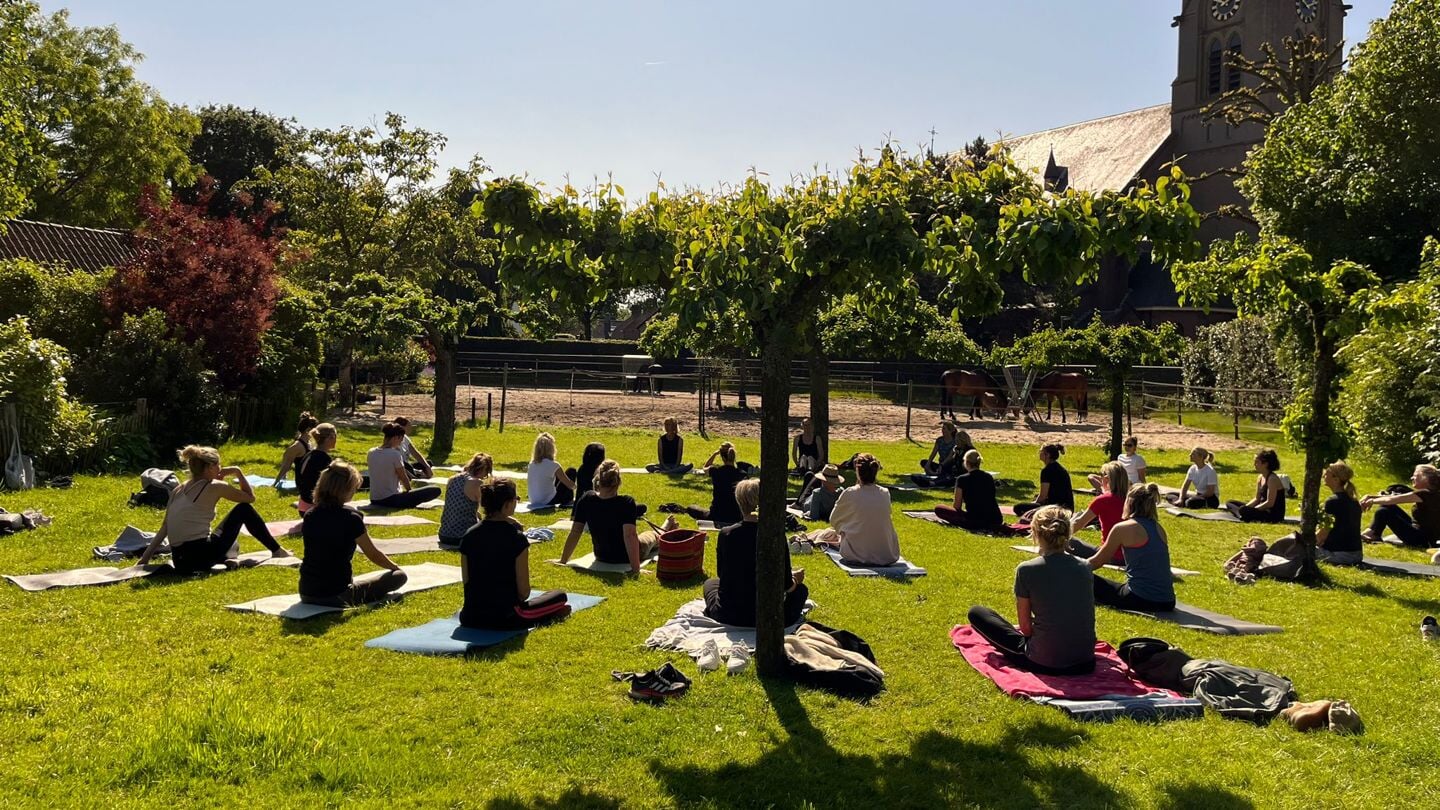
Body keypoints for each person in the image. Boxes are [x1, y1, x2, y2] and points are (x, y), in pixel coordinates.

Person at [966, 505, 1096, 675]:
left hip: (1044, 662)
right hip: (1085, 660)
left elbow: (1026, 628)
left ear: (1035, 533)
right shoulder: (1084, 566)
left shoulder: (1027, 569)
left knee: (977, 612)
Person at [136, 446, 292, 572]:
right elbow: (250, 498)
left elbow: (165, 528)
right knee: (243, 509)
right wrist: (237, 471)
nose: (221, 468)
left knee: (226, 541)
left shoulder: (178, 489)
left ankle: (230, 560)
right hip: (201, 557)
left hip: (180, 561)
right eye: (218, 465)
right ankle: (277, 550)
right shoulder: (214, 486)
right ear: (210, 467)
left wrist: (145, 558)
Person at [458, 478, 570, 630]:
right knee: (560, 596)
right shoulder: (516, 538)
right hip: (506, 617)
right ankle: (550, 614)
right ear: (507, 504)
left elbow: (467, 581)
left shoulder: (469, 535)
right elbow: (524, 593)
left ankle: (550, 614)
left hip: (470, 616)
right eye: (515, 499)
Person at [298, 461, 408, 606]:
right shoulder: (351, 517)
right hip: (337, 594)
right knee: (399, 577)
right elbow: (373, 554)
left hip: (307, 592)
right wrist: (395, 568)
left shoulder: (310, 514)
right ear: (345, 490)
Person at [703, 478, 809, 627]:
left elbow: (722, 574)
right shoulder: (775, 536)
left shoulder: (726, 534)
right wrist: (795, 580)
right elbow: (786, 585)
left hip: (729, 614)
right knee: (801, 591)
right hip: (769, 616)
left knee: (710, 583)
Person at [561, 461, 678, 574]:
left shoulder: (587, 498)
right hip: (627, 556)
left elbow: (576, 531)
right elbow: (630, 536)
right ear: (618, 482)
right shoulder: (626, 502)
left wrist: (563, 560)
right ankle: (666, 527)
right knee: (652, 536)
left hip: (602, 555)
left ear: (598, 480)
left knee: (649, 539)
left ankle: (666, 528)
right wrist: (636, 569)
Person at [1081, 484, 1176, 612]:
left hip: (1141, 599)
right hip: (1168, 601)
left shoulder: (1123, 528)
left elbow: (1098, 561)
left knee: (1085, 578)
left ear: (1129, 503)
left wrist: (1072, 568)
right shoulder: (1159, 529)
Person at [828, 453, 901, 566]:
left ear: (857, 472)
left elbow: (834, 520)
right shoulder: (884, 493)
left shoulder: (850, 493)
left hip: (857, 554)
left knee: (836, 532)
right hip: (886, 554)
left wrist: (844, 529)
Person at [1361, 464, 1440, 549]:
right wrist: (1371, 496)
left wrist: (1372, 501)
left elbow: (1391, 500)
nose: (1412, 478)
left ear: (1426, 478)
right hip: (1420, 534)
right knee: (1387, 506)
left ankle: (1373, 534)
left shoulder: (1427, 494)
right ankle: (1372, 533)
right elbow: (1393, 498)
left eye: (1415, 475)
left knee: (1384, 511)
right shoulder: (1431, 493)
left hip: (1421, 539)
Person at [367, 423, 444, 510]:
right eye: (401, 440)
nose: (400, 444)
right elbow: (404, 478)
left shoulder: (371, 452)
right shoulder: (394, 454)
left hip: (374, 499)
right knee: (435, 489)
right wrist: (410, 493)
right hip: (391, 499)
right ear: (397, 437)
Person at [933, 449, 1004, 531]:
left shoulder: (962, 479)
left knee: (939, 508)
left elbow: (957, 506)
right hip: (995, 518)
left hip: (975, 520)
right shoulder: (988, 477)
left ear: (966, 462)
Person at [1070, 461, 1128, 555]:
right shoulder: (1130, 498)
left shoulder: (1103, 500)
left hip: (1109, 555)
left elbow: (1079, 523)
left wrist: (1056, 536)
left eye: (1101, 475)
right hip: (1130, 556)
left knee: (1067, 541)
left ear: (1106, 479)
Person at [438, 453, 493, 547]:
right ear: (484, 469)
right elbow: (490, 510)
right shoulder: (476, 483)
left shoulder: (452, 479)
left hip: (444, 534)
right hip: (463, 536)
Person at [685, 442, 747, 526]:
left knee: (691, 508)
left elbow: (705, 467)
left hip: (716, 515)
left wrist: (714, 454)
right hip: (735, 516)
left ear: (722, 457)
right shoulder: (742, 474)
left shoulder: (716, 471)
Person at [1316, 461, 1363, 566]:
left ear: (1336, 479)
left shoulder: (1332, 502)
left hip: (1339, 555)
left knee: (1295, 548)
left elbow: (1322, 535)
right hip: (1356, 554)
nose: (1324, 475)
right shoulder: (1354, 501)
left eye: (1327, 473)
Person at [1012, 444, 1075, 518]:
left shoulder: (1046, 471)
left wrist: (1034, 503)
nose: (1039, 453)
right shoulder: (1060, 468)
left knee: (1018, 508)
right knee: (1036, 497)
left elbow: (1043, 496)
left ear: (1047, 455)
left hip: (1056, 508)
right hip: (1068, 508)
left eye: (1041, 452)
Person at [1225, 449, 1287, 523]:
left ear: (1265, 464)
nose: (1254, 464)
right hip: (1260, 508)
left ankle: (1242, 515)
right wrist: (1246, 507)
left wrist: (1254, 509)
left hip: (1271, 514)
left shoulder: (1272, 479)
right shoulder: (1260, 477)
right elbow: (1257, 499)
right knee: (1230, 503)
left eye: (1257, 462)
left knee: (1244, 510)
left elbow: (1270, 503)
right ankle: (1242, 514)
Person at [294, 422, 338, 514]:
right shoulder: (324, 459)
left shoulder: (309, 454)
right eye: (335, 437)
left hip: (303, 506)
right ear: (331, 437)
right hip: (314, 509)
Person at [526, 432, 577, 508]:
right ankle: (567, 500)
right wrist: (577, 487)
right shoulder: (553, 465)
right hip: (548, 500)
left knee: (554, 477)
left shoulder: (531, 464)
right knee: (571, 471)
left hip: (534, 500)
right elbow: (569, 484)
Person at [274, 412, 319, 487]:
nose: (317, 432)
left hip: (311, 479)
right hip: (303, 482)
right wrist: (276, 482)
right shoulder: (297, 446)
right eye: (315, 430)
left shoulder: (309, 443)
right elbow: (286, 464)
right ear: (308, 430)